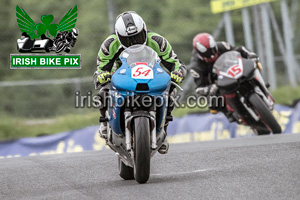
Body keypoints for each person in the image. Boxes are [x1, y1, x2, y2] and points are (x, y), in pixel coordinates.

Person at [93, 11, 186, 154]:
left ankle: (163, 131)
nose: (134, 42)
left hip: (151, 76)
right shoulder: (109, 45)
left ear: (144, 29)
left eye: (137, 36)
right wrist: (101, 76)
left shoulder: (157, 41)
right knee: (102, 93)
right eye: (128, 39)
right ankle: (105, 124)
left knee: (171, 91)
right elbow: (100, 69)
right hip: (122, 78)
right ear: (119, 36)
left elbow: (175, 62)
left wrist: (178, 73)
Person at [189, 33, 258, 120]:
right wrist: (210, 88)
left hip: (233, 71)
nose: (212, 55)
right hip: (218, 83)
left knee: (254, 64)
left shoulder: (221, 45)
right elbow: (199, 88)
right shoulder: (196, 67)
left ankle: (259, 85)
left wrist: (251, 55)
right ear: (199, 53)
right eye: (207, 53)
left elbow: (239, 49)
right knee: (214, 103)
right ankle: (230, 114)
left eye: (213, 50)